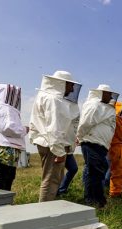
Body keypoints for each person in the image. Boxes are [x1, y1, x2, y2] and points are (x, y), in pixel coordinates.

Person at [29, 70, 81, 202]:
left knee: (55, 179)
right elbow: (54, 128)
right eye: (70, 84)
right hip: (52, 145)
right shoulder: (53, 100)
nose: (72, 88)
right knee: (51, 180)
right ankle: (44, 213)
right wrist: (59, 152)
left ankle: (50, 209)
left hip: (50, 143)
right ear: (61, 84)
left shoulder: (47, 97)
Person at [76, 84, 118, 208]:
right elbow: (85, 123)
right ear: (101, 93)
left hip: (100, 144)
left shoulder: (105, 107)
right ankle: (96, 200)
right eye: (108, 93)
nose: (111, 96)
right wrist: (79, 136)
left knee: (94, 171)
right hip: (91, 142)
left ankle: (92, 199)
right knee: (96, 171)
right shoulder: (94, 105)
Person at [0, 84, 27, 191]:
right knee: (3, 176)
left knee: (9, 176)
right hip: (4, 147)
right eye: (13, 92)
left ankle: (4, 201)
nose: (16, 96)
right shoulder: (3, 108)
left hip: (7, 146)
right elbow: (8, 128)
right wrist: (25, 129)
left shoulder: (4, 108)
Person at [57, 110, 80, 196]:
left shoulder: (73, 114)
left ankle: (61, 189)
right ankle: (56, 192)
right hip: (60, 146)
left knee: (73, 168)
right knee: (57, 171)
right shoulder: (62, 113)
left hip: (68, 148)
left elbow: (73, 129)